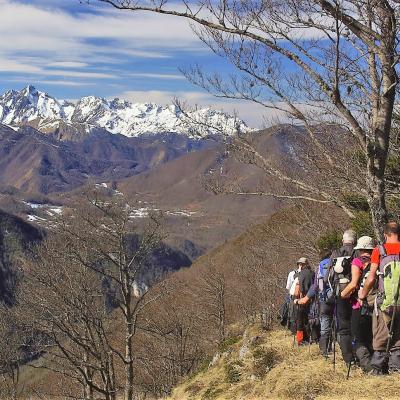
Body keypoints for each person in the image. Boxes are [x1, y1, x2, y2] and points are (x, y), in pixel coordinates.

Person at [360, 222, 400, 374]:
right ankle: (396, 369)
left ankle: (377, 369)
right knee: (398, 336)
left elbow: (371, 279)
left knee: (381, 334)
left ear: (385, 234)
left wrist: (363, 294)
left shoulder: (379, 251)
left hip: (385, 302)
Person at [341, 236, 375, 372]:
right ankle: (376, 364)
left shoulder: (357, 261)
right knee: (372, 336)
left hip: (358, 305)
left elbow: (354, 283)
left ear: (360, 249)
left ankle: (367, 366)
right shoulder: (377, 261)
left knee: (357, 336)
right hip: (376, 304)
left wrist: (343, 294)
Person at [326, 229, 357, 365]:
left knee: (343, 328)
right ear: (354, 240)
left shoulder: (335, 254)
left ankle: (348, 360)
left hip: (339, 294)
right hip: (355, 295)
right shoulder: (357, 253)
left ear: (343, 240)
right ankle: (360, 356)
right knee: (357, 326)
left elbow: (328, 276)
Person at [298, 250, 332, 355]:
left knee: (322, 324)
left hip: (323, 299)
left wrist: (305, 298)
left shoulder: (319, 268)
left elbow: (315, 286)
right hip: (339, 297)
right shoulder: (336, 263)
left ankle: (324, 350)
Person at [293, 257, 314, 345]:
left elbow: (296, 289)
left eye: (301, 264)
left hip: (301, 299)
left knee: (300, 321)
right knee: (310, 319)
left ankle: (300, 340)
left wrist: (295, 299)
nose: (300, 265)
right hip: (312, 299)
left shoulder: (299, 275)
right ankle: (311, 338)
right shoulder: (313, 273)